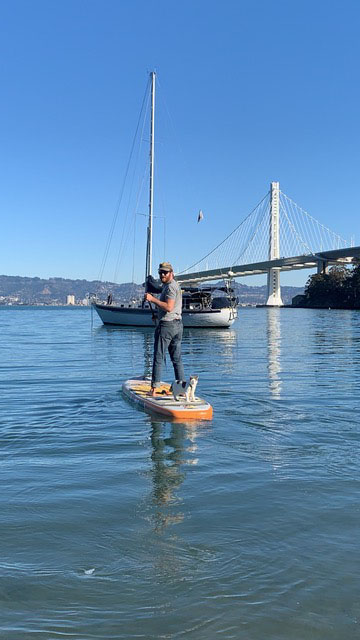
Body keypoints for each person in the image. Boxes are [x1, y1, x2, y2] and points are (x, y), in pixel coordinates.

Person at [144, 262, 185, 396]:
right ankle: (182, 390)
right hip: (177, 325)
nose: (162, 274)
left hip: (167, 326)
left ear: (171, 273)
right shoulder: (172, 285)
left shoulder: (170, 287)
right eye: (160, 272)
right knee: (177, 359)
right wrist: (157, 316)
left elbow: (168, 307)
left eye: (165, 272)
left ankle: (153, 389)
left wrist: (152, 299)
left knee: (158, 357)